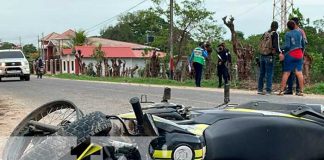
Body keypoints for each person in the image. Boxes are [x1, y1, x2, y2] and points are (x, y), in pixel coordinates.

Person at [278, 20, 305, 96]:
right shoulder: (300, 33)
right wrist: (301, 53)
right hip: (299, 54)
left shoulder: (288, 34)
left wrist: (281, 50)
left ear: (288, 27)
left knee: (286, 73)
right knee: (299, 73)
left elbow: (287, 46)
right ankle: (301, 91)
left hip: (291, 54)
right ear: (294, 25)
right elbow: (303, 44)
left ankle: (281, 91)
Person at [284, 17, 308, 95]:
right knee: (290, 72)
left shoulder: (301, 31)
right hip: (291, 55)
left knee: (298, 72)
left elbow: (304, 43)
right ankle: (289, 89)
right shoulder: (292, 31)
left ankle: (298, 89)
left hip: (297, 55)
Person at [257, 21, 281, 95]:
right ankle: (268, 90)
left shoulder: (265, 33)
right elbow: (276, 46)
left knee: (262, 73)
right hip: (269, 56)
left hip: (262, 55)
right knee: (269, 73)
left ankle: (260, 89)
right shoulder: (275, 33)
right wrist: (280, 52)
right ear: (277, 27)